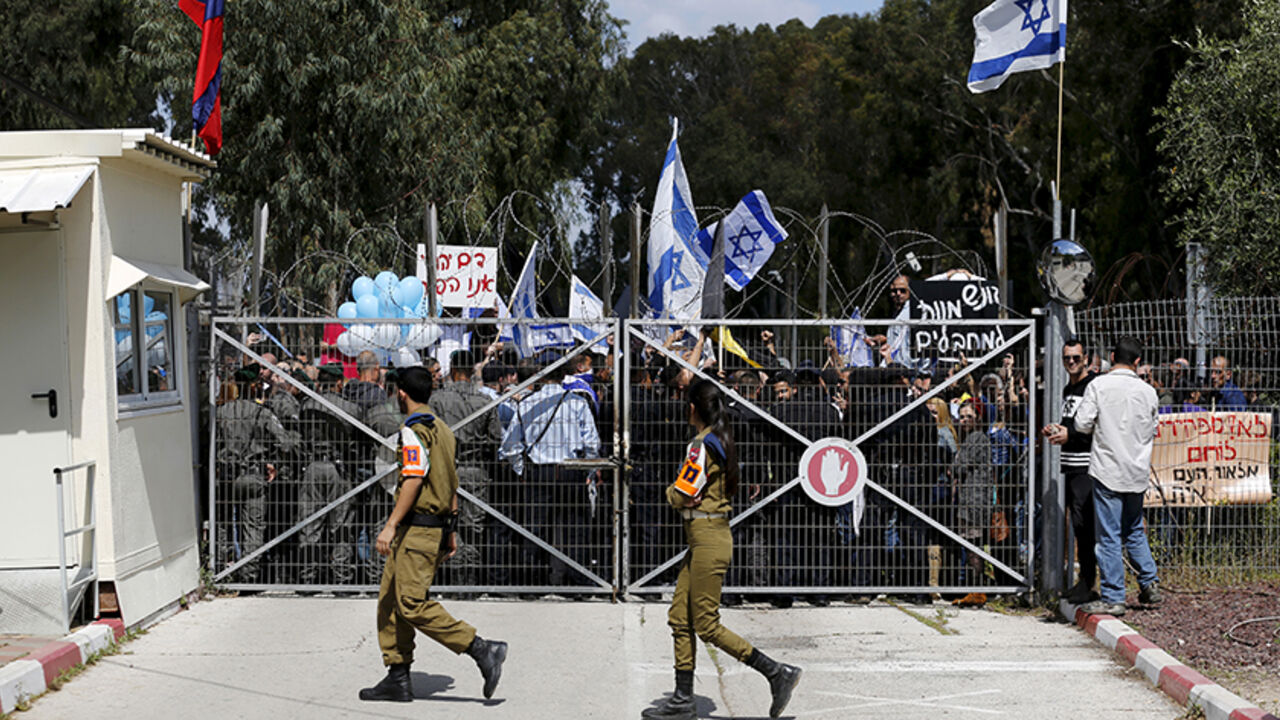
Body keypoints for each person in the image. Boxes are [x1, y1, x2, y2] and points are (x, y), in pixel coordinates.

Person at [642, 380, 801, 720]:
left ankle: (775, 672)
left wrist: (671, 492)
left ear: (694, 409)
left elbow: (683, 493)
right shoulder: (719, 439)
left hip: (708, 535)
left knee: (706, 623)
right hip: (704, 535)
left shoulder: (701, 446)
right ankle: (683, 698)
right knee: (679, 617)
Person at [359, 366, 508, 702]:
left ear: (400, 393)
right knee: (389, 603)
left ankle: (482, 649)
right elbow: (450, 481)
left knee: (410, 604)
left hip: (416, 529)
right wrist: (451, 530)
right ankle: (398, 676)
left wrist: (390, 524)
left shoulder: (413, 430)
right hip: (429, 528)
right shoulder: (442, 429)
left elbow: (413, 478)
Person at [1072, 336, 1161, 617]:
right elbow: (1153, 428)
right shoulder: (1148, 392)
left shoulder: (1099, 385)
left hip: (1107, 468)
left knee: (1108, 534)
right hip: (1136, 470)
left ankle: (1113, 595)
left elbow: (1082, 423)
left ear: (1112, 356)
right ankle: (1149, 582)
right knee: (1134, 528)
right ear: (1137, 362)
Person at [429, 350, 503, 591]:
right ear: (473, 370)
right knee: (473, 527)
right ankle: (469, 582)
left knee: (448, 524)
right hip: (475, 469)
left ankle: (453, 577)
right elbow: (494, 439)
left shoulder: (437, 400)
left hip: (446, 469)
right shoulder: (485, 401)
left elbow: (431, 436)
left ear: (452, 368)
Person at [216, 364, 298, 583]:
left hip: (226, 476)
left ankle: (223, 570)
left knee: (224, 524)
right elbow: (285, 443)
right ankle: (249, 576)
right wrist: (276, 463)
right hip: (253, 475)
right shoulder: (262, 413)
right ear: (254, 387)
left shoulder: (221, 413)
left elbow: (209, 443)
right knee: (253, 527)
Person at [1042, 339, 1099, 603]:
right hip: (1071, 464)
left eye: (1076, 358)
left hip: (1087, 466)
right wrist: (1058, 429)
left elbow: (1094, 427)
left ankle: (1089, 581)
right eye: (1067, 359)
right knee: (1078, 526)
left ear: (1086, 358)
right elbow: (1073, 424)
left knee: (1086, 526)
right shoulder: (1069, 388)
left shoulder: (1093, 386)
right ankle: (1084, 580)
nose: (1072, 363)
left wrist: (1070, 434)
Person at [950, 401, 993, 605]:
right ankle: (973, 588)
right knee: (971, 544)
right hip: (970, 498)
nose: (964, 420)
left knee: (973, 545)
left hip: (974, 501)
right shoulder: (972, 438)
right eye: (962, 416)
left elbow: (958, 468)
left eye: (969, 416)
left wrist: (955, 465)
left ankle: (977, 590)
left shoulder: (976, 439)